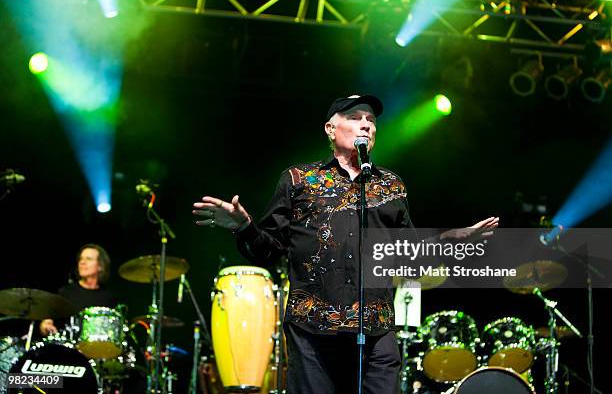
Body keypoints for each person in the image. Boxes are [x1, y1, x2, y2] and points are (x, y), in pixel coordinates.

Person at [193, 94, 499, 394]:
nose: (365, 125)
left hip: (377, 329)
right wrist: (245, 227)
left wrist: (449, 240)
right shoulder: (299, 180)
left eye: (370, 120)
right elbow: (269, 251)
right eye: (355, 118)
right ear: (330, 129)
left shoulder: (391, 185)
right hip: (313, 331)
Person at [39, 244, 117, 336]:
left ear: (100, 266)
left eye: (88, 259)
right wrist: (46, 325)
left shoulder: (109, 298)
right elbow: (46, 321)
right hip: (69, 348)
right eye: (81, 259)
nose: (82, 262)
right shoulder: (65, 292)